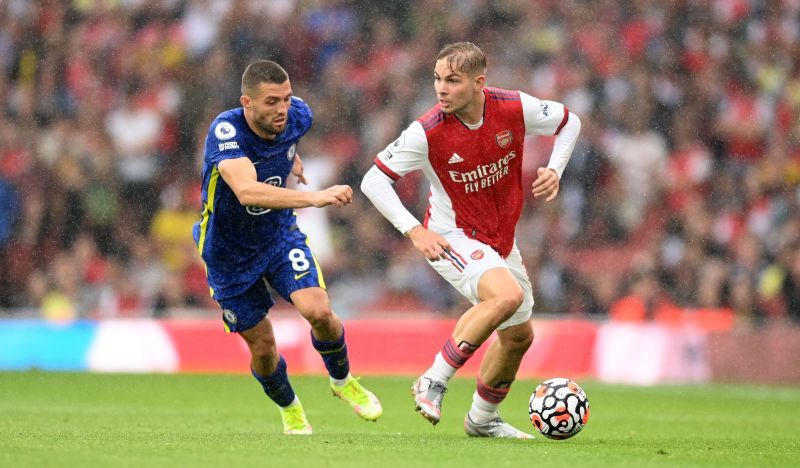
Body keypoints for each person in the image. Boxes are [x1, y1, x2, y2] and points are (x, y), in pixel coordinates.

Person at [361, 42, 581, 438]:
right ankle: (434, 379)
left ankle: (482, 420)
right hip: (452, 236)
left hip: (501, 238)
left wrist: (555, 168)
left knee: (518, 336)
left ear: (479, 83)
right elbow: (373, 180)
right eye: (437, 79)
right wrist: (415, 230)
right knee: (507, 297)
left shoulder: (512, 107)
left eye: (452, 80)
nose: (440, 89)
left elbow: (570, 121)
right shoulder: (426, 132)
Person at [193, 60, 382, 435]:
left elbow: (284, 143)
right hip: (228, 254)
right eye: (271, 102)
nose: (282, 109)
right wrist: (315, 197)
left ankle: (343, 382)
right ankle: (290, 407)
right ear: (247, 102)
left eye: (287, 98)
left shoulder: (298, 117)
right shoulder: (226, 130)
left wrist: (290, 160)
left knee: (320, 310)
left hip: (277, 235)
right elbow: (246, 191)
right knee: (263, 349)